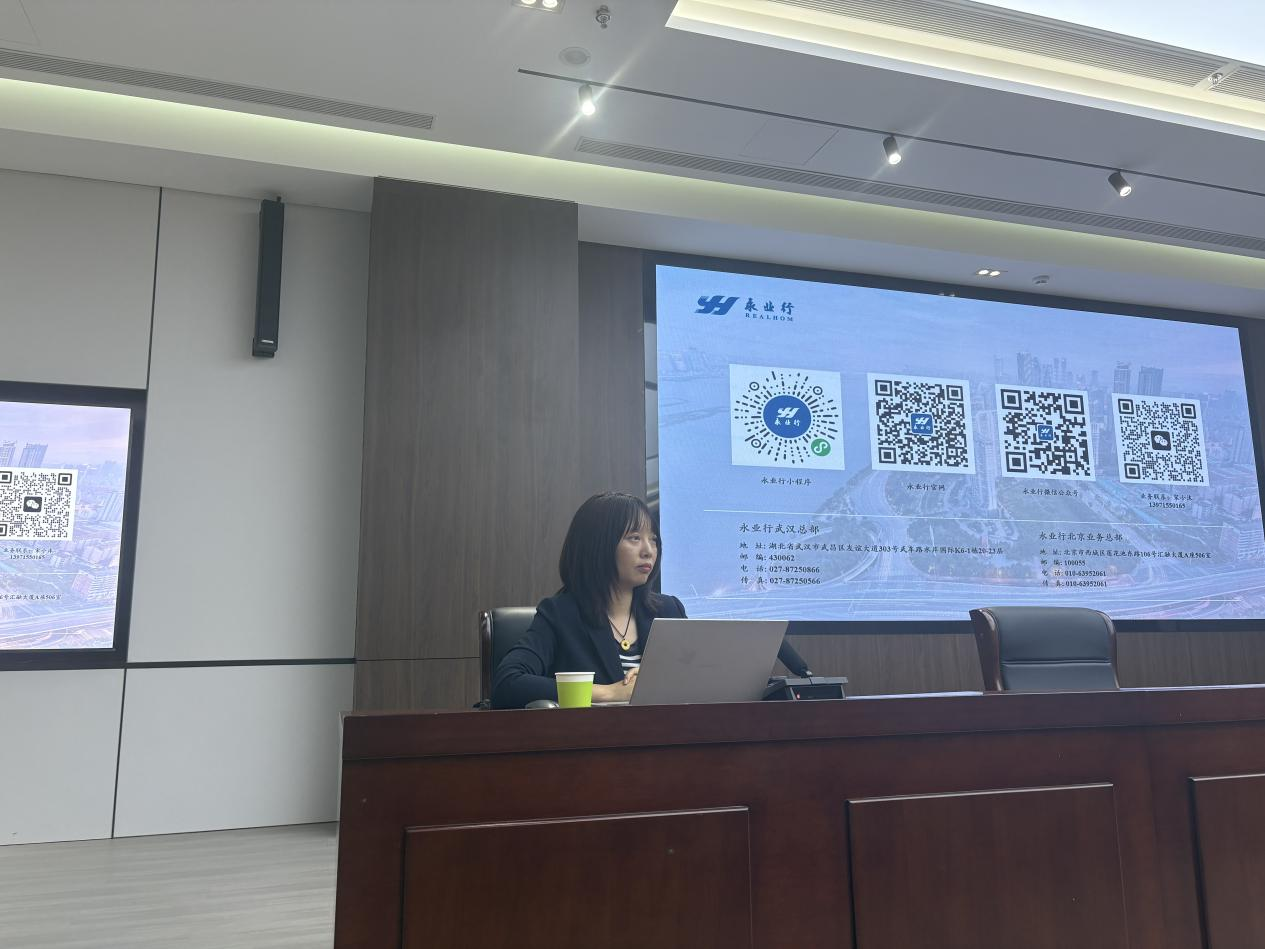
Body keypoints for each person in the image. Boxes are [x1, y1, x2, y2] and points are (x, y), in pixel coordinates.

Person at [491, 492, 686, 709]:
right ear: (598, 544)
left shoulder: (669, 610)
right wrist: (610, 692)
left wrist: (657, 682)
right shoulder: (561, 615)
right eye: (634, 538)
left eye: (653, 539)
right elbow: (507, 683)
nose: (648, 551)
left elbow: (700, 681)